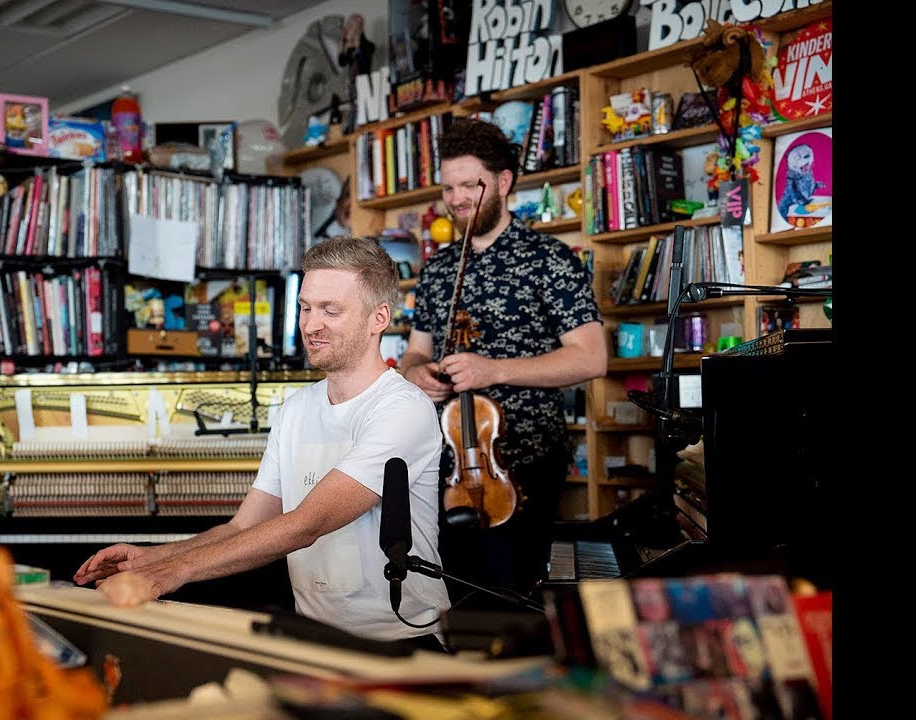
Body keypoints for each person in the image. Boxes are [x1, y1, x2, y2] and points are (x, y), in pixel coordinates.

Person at [74, 236, 451, 650]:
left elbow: (306, 524)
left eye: (331, 310)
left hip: (400, 641)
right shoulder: (296, 410)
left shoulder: (402, 409)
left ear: (378, 317)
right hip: (315, 639)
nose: (311, 324)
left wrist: (172, 574)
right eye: (306, 307)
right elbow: (245, 526)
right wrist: (155, 557)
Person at [399, 119, 607, 599]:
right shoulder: (439, 268)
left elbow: (592, 358)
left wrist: (495, 370)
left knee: (509, 595)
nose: (455, 199)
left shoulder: (549, 259)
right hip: (445, 462)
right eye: (447, 187)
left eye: (468, 185)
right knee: (448, 592)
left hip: (523, 462)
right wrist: (417, 374)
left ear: (503, 181)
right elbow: (416, 350)